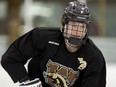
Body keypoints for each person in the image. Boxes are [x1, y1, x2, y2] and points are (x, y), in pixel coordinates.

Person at [1, 1, 106, 87]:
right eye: (73, 26)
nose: (77, 33)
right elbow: (10, 58)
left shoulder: (94, 57)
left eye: (81, 27)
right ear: (64, 24)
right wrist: (26, 81)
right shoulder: (42, 37)